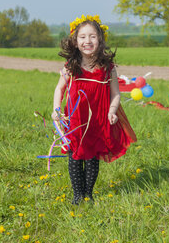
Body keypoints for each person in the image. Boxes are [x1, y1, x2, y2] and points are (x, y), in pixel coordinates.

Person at [51, 15, 137, 205]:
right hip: (75, 119)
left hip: (97, 119)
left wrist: (112, 111)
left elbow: (115, 94)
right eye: (82, 37)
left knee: (92, 158)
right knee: (75, 155)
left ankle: (88, 194)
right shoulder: (71, 67)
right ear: (75, 40)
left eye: (92, 36)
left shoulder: (108, 68)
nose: (87, 41)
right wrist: (57, 109)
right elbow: (59, 89)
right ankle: (77, 195)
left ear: (100, 40)